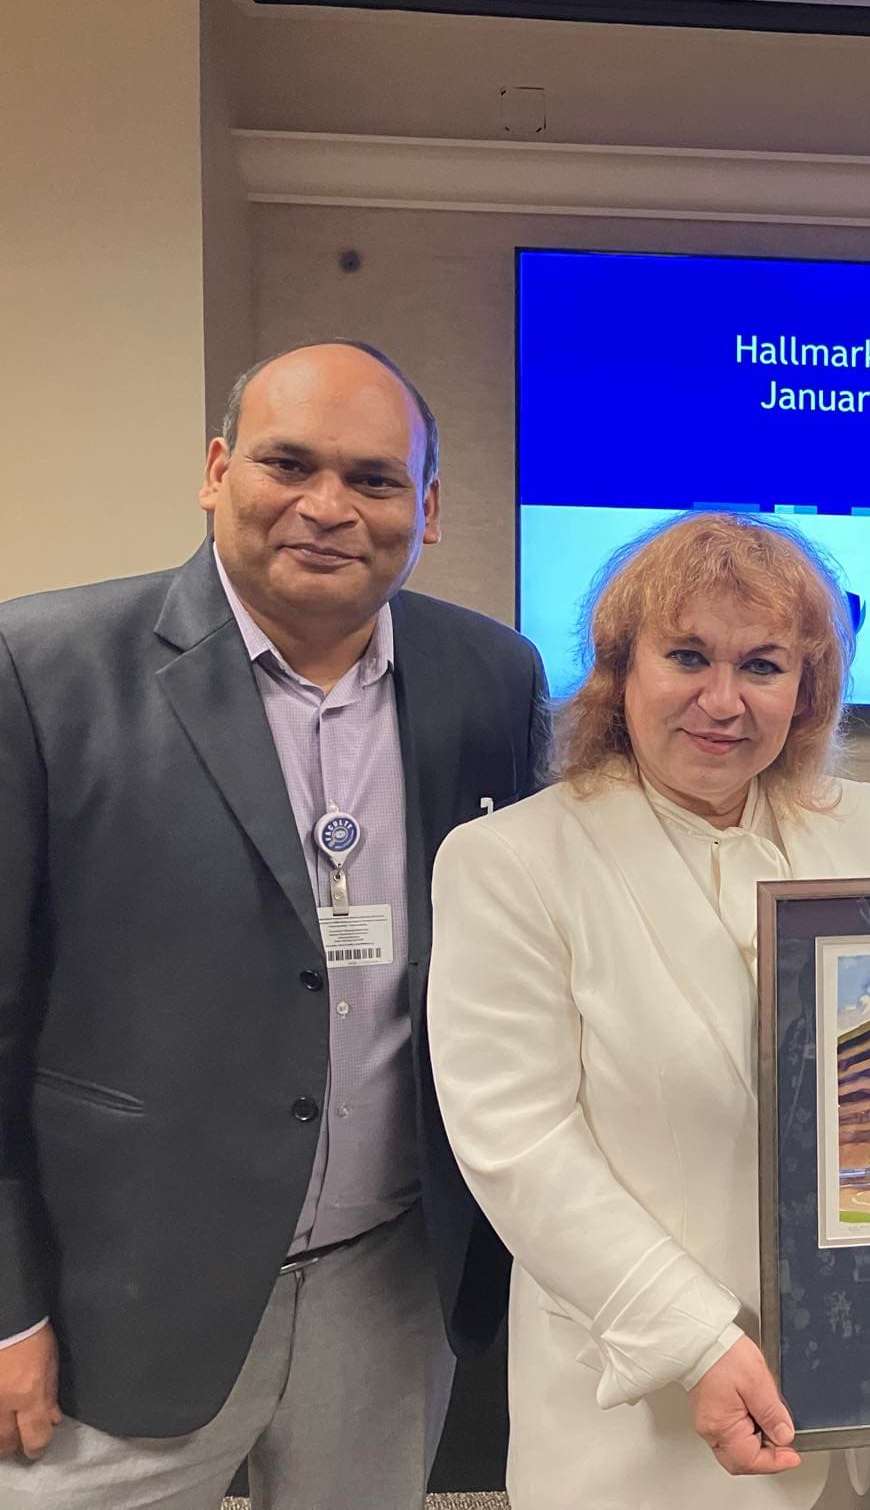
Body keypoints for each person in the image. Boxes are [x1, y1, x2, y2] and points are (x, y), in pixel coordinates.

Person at [0, 341, 549, 1507]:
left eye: (372, 478)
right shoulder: (40, 670)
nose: (327, 507)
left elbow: (562, 910)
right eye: (287, 463)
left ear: (429, 506)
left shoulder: (489, 678)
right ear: (214, 470)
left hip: (386, 1282)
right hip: (122, 1296)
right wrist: (5, 1310)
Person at [428, 512, 870, 1507]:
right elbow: (517, 1142)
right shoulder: (510, 862)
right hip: (646, 1403)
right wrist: (696, 1338)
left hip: (848, 1395)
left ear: (805, 691)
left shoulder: (865, 824)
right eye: (686, 656)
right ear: (617, 672)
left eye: (763, 665)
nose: (722, 701)